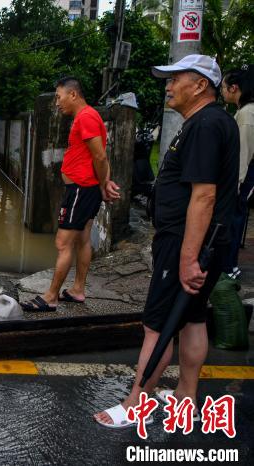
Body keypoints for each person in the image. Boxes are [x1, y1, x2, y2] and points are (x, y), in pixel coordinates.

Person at [95, 55, 239, 429]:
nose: (168, 86)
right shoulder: (209, 122)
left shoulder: (206, 125)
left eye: (176, 79)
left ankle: (134, 404)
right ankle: (186, 399)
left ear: (200, 85)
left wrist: (188, 257)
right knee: (192, 319)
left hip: (186, 243)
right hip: (203, 242)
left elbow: (204, 196)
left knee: (157, 325)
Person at [21, 77, 120, 312]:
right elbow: (100, 154)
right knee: (83, 239)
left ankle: (51, 296)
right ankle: (77, 290)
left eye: (58, 96)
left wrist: (104, 183)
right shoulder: (89, 116)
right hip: (85, 189)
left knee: (63, 243)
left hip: (80, 189)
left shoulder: (85, 117)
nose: (57, 102)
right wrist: (102, 183)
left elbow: (100, 157)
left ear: (73, 94)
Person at [220, 64, 254, 279]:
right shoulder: (245, 111)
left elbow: (243, 152)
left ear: (234, 88)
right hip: (245, 173)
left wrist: (236, 183)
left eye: (223, 87)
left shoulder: (246, 115)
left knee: (234, 219)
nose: (222, 91)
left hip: (245, 174)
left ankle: (229, 266)